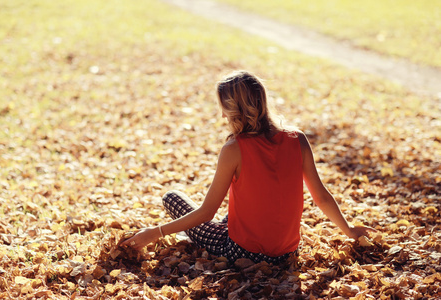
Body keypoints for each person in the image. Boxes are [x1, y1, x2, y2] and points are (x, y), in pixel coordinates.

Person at [121, 70, 375, 264]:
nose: (222, 116)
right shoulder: (297, 138)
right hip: (287, 252)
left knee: (172, 198)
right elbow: (321, 197)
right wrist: (350, 230)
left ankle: (201, 237)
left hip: (243, 253)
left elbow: (207, 211)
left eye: (224, 108)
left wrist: (155, 232)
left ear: (235, 109)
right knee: (234, 213)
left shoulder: (234, 149)